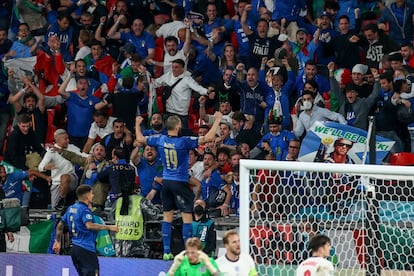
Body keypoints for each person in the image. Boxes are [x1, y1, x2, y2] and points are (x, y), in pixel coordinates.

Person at [135, 111, 223, 260]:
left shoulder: (159, 139)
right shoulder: (184, 141)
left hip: (166, 182)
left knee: (167, 216)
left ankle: (167, 251)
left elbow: (140, 138)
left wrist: (137, 124)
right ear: (177, 127)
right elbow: (208, 138)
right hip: (180, 182)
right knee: (187, 217)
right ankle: (188, 252)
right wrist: (217, 120)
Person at [53, 185, 119, 276]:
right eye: (92, 193)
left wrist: (58, 241)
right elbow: (89, 225)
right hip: (86, 249)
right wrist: (109, 227)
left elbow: (60, 225)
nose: (93, 196)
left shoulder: (71, 208)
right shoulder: (84, 210)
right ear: (87, 196)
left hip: (75, 249)